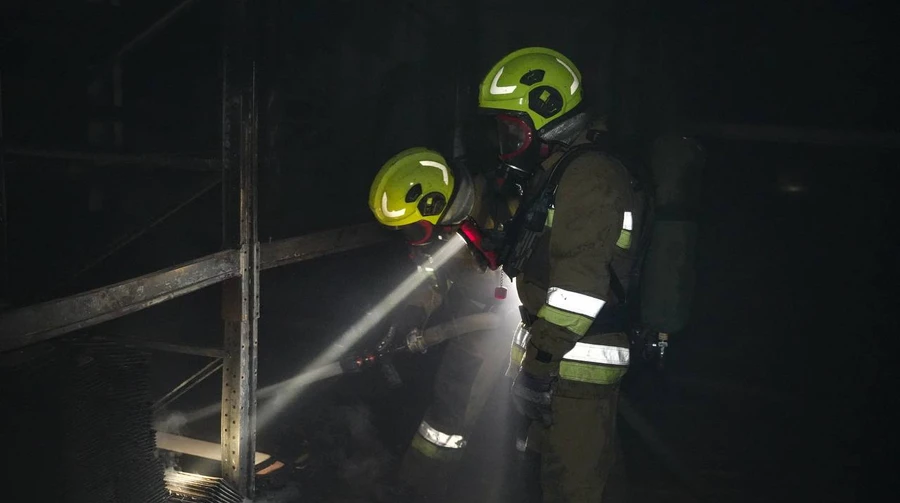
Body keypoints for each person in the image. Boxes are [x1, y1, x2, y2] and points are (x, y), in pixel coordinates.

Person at [476, 46, 646, 503]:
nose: (506, 139)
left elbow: (579, 290)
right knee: (587, 479)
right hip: (563, 363)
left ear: (546, 113)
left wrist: (540, 364)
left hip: (575, 365)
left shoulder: (589, 176)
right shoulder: (561, 172)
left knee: (572, 487)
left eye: (512, 128)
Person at [367, 147, 517, 502]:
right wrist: (414, 313)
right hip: (475, 323)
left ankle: (424, 490)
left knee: (457, 414)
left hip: (514, 327)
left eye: (413, 228)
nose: (413, 238)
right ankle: (420, 488)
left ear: (434, 204)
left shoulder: (502, 211)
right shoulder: (443, 225)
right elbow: (432, 277)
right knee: (452, 408)